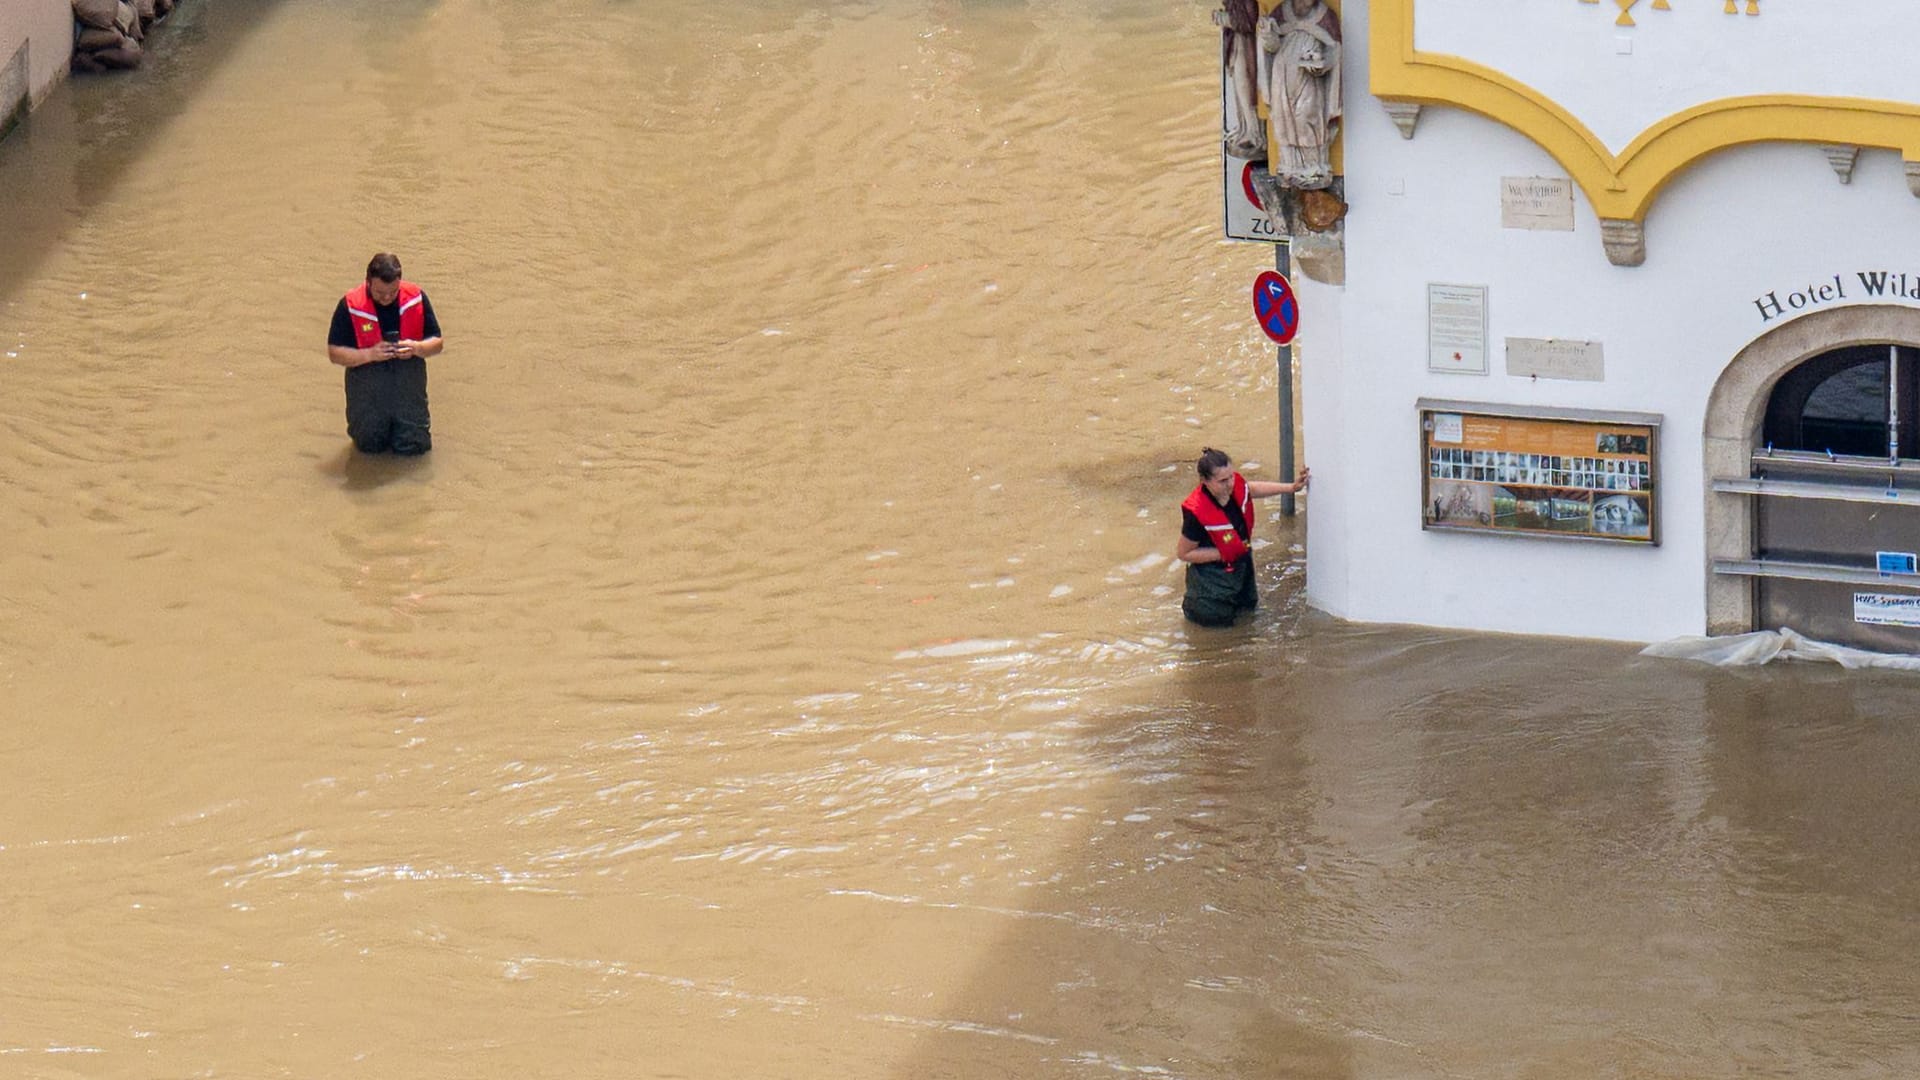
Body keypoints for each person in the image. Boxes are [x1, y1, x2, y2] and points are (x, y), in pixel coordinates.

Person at [1176, 447, 1310, 627]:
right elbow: (1184, 553)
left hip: (1241, 570)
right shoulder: (1197, 513)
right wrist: (1223, 553)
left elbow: (1250, 489)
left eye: (1231, 476)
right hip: (1211, 587)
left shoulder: (1234, 487)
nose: (1230, 484)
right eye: (1222, 481)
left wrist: (1292, 487)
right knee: (1217, 633)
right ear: (1204, 481)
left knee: (1248, 617)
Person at [327, 253, 445, 455]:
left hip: (409, 396)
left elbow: (438, 343)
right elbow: (334, 353)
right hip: (367, 398)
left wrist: (417, 348)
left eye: (393, 292)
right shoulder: (350, 305)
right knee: (367, 450)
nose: (387, 298)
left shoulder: (416, 298)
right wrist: (369, 355)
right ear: (368, 282)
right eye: (380, 292)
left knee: (414, 451)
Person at [1257, 0, 1341, 191]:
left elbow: (1334, 48)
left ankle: (1315, 165)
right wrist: (1267, 34)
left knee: (1307, 117)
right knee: (1283, 120)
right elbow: (1272, 47)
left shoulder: (1325, 16)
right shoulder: (1281, 12)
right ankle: (1289, 164)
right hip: (1282, 77)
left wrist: (1320, 62)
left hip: (1309, 79)